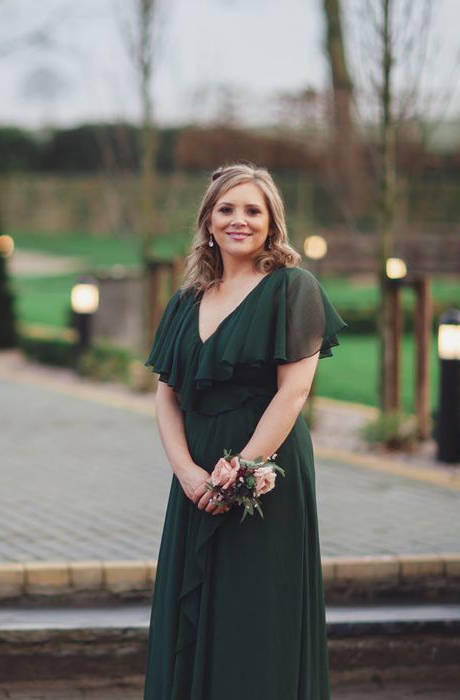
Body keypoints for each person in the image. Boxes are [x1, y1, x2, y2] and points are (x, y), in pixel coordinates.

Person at [143, 162, 347, 699]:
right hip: (195, 479)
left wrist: (239, 472)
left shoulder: (292, 289)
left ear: (271, 222)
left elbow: (294, 392)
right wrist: (189, 472)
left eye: (252, 210)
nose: (239, 220)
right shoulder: (185, 301)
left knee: (256, 613)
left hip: (265, 470)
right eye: (226, 209)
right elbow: (167, 396)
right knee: (196, 602)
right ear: (208, 221)